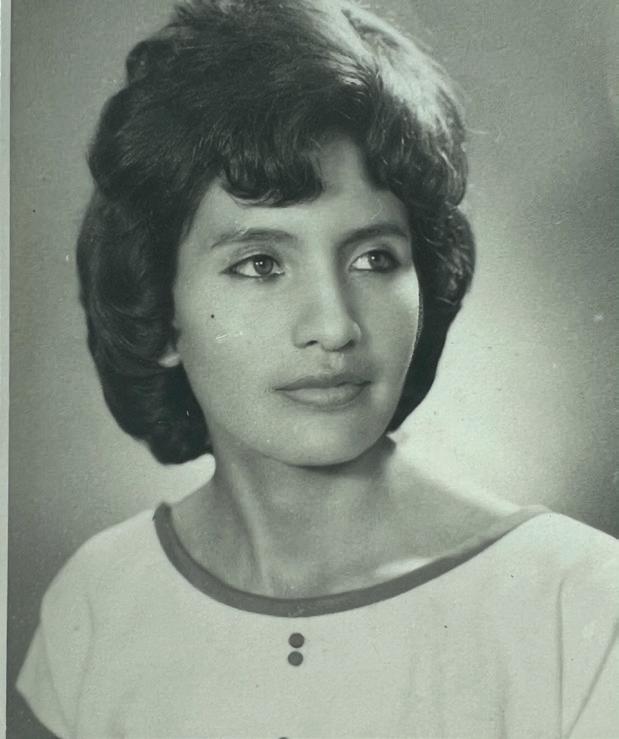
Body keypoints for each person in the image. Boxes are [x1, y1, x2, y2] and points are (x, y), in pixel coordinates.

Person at [16, 1, 618, 737]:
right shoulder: (98, 601)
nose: (335, 326)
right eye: (260, 264)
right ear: (160, 311)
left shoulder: (579, 604)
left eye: (374, 258)